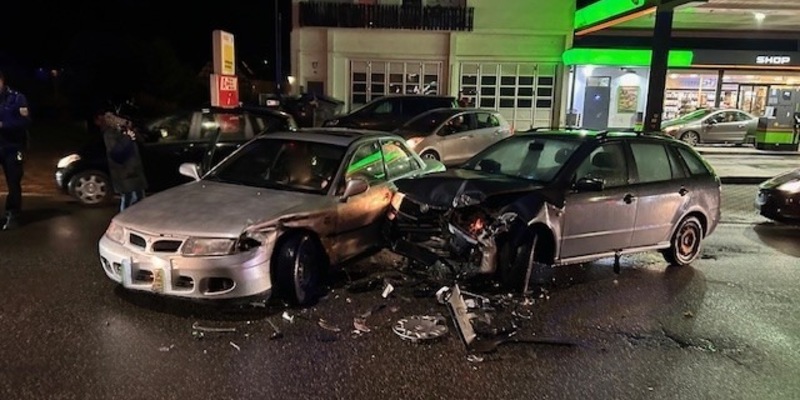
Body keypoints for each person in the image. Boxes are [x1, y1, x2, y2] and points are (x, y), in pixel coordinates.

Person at [96, 110, 147, 211]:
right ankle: (123, 219)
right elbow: (116, 152)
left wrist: (133, 134)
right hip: (124, 171)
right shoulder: (110, 133)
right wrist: (127, 138)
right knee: (128, 197)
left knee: (139, 196)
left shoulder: (124, 130)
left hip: (134, 169)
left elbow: (141, 141)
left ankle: (136, 218)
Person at [0, 70, 31, 230]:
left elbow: (25, 122)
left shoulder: (17, 98)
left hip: (13, 147)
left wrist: (4, 125)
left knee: (13, 182)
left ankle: (13, 213)